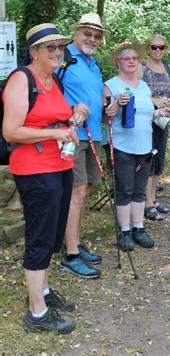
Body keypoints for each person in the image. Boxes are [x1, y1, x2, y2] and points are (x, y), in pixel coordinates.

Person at [2, 23, 89, 334]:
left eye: (60, 47)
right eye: (49, 47)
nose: (57, 52)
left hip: (59, 165)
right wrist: (56, 132)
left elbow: (56, 117)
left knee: (52, 236)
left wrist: (73, 114)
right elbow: (11, 131)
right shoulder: (21, 79)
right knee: (40, 237)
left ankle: (44, 292)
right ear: (34, 52)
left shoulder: (53, 80)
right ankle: (36, 313)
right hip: (35, 170)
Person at [60, 13, 118, 279]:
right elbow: (48, 93)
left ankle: (76, 242)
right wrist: (70, 108)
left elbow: (95, 100)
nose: (92, 39)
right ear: (76, 33)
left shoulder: (92, 64)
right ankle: (70, 255)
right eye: (87, 33)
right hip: (72, 136)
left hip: (95, 134)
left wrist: (109, 109)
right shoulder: (63, 58)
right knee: (77, 191)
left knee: (86, 190)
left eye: (96, 36)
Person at [104, 42, 156, 251]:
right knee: (124, 189)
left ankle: (139, 228)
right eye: (127, 59)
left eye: (135, 58)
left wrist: (159, 113)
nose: (132, 61)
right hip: (122, 145)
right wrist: (117, 105)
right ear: (119, 63)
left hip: (144, 146)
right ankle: (124, 231)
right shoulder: (110, 85)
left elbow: (147, 112)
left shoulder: (143, 85)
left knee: (139, 189)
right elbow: (105, 117)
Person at [137, 34, 170, 221]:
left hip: (163, 119)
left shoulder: (168, 67)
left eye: (161, 47)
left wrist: (169, 102)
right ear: (148, 49)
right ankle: (147, 202)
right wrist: (153, 101)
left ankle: (153, 197)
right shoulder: (141, 68)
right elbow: (134, 91)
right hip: (145, 119)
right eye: (154, 47)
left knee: (159, 157)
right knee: (147, 158)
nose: (158, 50)